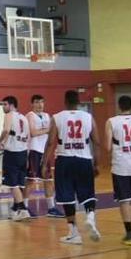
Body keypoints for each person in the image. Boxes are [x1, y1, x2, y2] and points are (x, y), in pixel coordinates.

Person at [43, 90, 101, 245]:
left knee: (67, 196)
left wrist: (44, 164)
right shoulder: (88, 117)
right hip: (84, 160)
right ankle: (90, 217)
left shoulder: (57, 117)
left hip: (64, 160)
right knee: (87, 192)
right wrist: (96, 163)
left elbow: (50, 142)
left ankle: (74, 232)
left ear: (65, 101)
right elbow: (96, 141)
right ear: (79, 102)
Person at [26, 94, 65, 217]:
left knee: (48, 180)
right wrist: (48, 130)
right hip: (33, 150)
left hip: (44, 152)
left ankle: (51, 208)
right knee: (31, 181)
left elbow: (52, 133)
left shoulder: (47, 116)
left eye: (42, 102)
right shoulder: (30, 115)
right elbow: (32, 132)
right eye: (37, 102)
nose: (40, 105)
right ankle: (24, 208)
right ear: (32, 104)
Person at [106, 95, 131, 245]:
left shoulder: (112, 121)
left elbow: (108, 146)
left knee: (125, 200)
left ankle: (129, 234)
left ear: (119, 105)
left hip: (121, 165)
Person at [0, 96, 31, 221]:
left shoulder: (9, 115)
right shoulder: (24, 118)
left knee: (13, 184)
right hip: (23, 152)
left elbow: (6, 130)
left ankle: (23, 210)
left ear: (12, 105)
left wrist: (0, 141)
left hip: (12, 153)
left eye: (5, 104)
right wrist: (27, 156)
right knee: (19, 183)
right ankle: (15, 209)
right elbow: (27, 137)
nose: (3, 106)